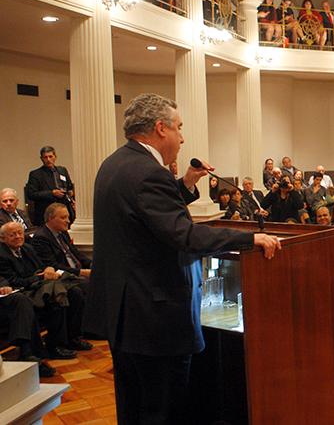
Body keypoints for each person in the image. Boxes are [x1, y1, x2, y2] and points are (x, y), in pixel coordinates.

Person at [83, 93, 280, 425]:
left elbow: (147, 214)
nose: (183, 136)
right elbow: (184, 236)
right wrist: (250, 238)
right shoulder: (148, 172)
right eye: (179, 127)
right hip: (155, 317)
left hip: (126, 315)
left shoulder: (115, 164)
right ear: (161, 128)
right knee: (164, 410)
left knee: (134, 406)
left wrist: (186, 183)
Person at [0, 221, 80, 360]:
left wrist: (48, 269)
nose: (18, 237)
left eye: (20, 233)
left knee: (73, 292)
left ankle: (69, 339)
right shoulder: (2, 254)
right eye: (13, 235)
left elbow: (43, 266)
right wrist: (36, 278)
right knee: (52, 297)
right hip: (23, 290)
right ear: (3, 238)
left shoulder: (27, 249)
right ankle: (43, 350)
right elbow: (13, 281)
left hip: (38, 287)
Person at [31, 203, 91, 279]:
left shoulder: (63, 232)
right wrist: (80, 272)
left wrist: (91, 264)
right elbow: (53, 265)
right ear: (50, 218)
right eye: (63, 218)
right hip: (64, 276)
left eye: (68, 217)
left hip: (77, 271)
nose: (68, 221)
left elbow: (75, 253)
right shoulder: (41, 238)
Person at [25, 145, 75, 225]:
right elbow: (31, 194)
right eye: (45, 157)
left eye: (50, 156)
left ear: (55, 157)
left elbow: (69, 186)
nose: (48, 160)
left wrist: (70, 192)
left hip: (64, 209)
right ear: (41, 158)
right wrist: (51, 193)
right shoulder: (35, 174)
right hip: (46, 211)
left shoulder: (62, 170)